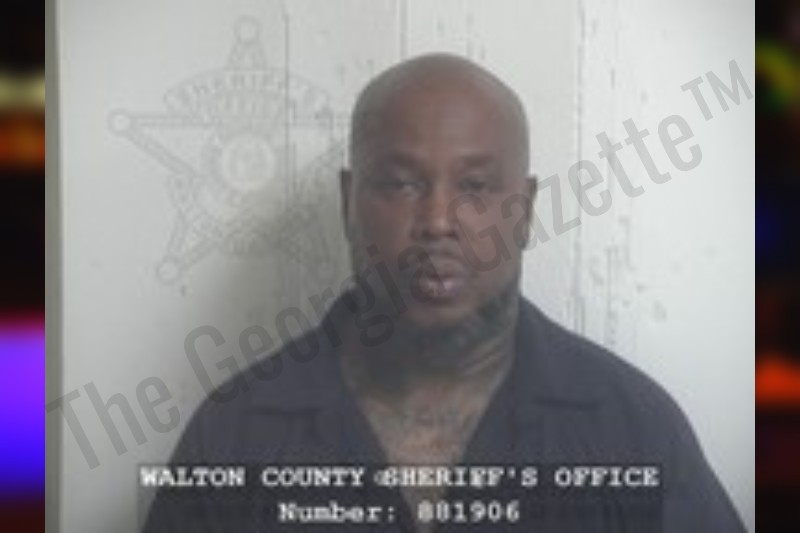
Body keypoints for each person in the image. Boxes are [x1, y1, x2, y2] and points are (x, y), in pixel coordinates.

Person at [143, 54, 745, 532]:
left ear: (525, 211)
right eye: (401, 183)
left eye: (476, 187)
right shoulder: (235, 433)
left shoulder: (632, 429)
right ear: (348, 201)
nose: (436, 221)